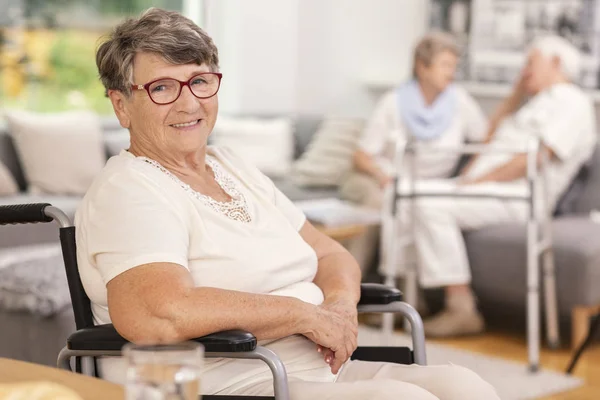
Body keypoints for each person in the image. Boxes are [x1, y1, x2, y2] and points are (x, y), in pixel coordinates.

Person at [74, 8, 500, 400]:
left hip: (320, 368)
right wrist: (303, 316)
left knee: (467, 387)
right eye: (162, 87)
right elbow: (158, 315)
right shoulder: (130, 189)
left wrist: (338, 308)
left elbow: (331, 253)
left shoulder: (231, 165)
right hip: (235, 379)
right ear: (121, 106)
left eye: (200, 81)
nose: (189, 103)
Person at [398, 34, 597, 337]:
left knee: (428, 203)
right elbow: (486, 138)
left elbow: (537, 159)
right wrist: (516, 94)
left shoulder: (573, 102)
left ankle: (460, 307)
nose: (525, 70)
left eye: (531, 62)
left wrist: (478, 182)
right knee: (405, 194)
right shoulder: (534, 104)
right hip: (489, 189)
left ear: (556, 63)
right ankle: (409, 301)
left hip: (519, 196)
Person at [340, 31, 488, 276]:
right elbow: (361, 156)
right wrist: (382, 176)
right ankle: (350, 283)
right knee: (381, 204)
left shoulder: (459, 102)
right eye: (445, 65)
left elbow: (484, 140)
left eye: (454, 66)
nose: (451, 72)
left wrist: (469, 172)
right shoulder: (394, 102)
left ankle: (407, 298)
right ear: (422, 66)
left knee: (420, 207)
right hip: (382, 180)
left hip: (429, 187)